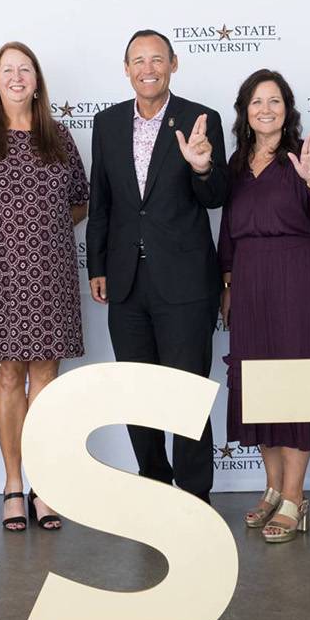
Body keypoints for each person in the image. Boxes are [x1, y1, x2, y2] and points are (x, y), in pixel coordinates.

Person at [0, 41, 89, 532]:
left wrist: (41, 230)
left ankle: (43, 487)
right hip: (0, 274)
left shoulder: (59, 137)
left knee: (46, 378)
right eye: (8, 69)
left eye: (25, 69)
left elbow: (79, 202)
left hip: (51, 274)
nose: (17, 76)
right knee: (9, 376)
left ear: (37, 80)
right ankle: (11, 484)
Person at [86, 29, 230, 501]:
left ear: (173, 64)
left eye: (157, 59)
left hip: (186, 282)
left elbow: (215, 199)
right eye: (138, 61)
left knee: (186, 392)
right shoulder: (106, 124)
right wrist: (97, 267)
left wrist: (202, 167)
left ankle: (195, 497)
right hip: (125, 281)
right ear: (126, 69)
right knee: (136, 390)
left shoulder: (199, 119)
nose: (148, 68)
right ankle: (154, 487)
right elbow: (101, 202)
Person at [219, 69, 310, 542]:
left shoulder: (305, 158)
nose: (266, 109)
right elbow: (228, 235)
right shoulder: (236, 164)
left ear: (287, 109)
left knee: (299, 386)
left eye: (274, 101)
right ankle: (273, 488)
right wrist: (228, 282)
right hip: (251, 283)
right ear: (245, 111)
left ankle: (296, 496)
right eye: (256, 102)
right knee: (260, 388)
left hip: (299, 280)